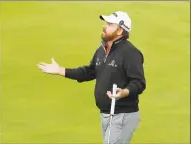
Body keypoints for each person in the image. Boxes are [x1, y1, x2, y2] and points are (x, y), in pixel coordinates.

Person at [37, 11, 146, 144]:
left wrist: (124, 92)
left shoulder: (130, 53)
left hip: (122, 114)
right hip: (106, 114)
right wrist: (60, 70)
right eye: (106, 23)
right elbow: (89, 72)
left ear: (120, 31)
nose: (105, 26)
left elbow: (139, 82)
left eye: (110, 24)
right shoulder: (102, 50)